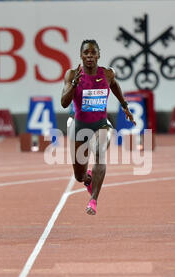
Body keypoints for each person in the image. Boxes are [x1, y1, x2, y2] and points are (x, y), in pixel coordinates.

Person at [61, 39, 136, 215]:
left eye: (93, 53)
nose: (89, 56)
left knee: (99, 151)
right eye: (86, 53)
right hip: (79, 126)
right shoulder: (72, 75)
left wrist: (125, 106)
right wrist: (74, 85)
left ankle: (93, 200)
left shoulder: (107, 74)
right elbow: (64, 103)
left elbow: (115, 85)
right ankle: (88, 179)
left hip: (101, 124)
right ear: (81, 55)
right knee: (78, 176)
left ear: (98, 55)